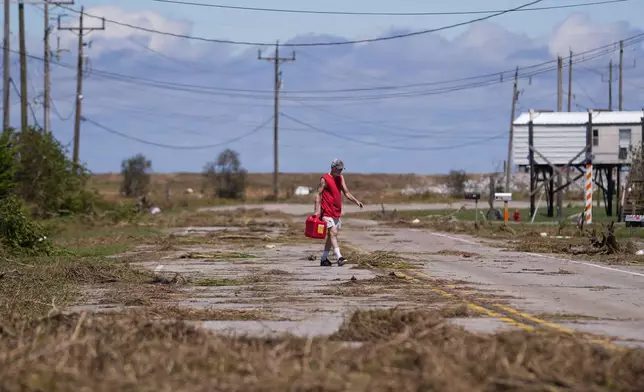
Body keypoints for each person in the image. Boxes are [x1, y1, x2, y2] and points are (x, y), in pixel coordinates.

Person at [313, 159, 363, 267]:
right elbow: (318, 194)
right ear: (333, 168)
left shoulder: (341, 178)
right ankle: (339, 257)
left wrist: (356, 201)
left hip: (336, 212)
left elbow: (346, 192)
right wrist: (316, 211)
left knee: (331, 237)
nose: (340, 171)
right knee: (333, 233)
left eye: (341, 169)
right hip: (326, 212)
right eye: (339, 169)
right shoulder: (324, 179)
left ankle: (324, 259)